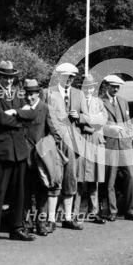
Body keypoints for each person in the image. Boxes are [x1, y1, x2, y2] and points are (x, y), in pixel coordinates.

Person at [0, 61, 37, 248]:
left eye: (11, 77)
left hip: (19, 151)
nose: (8, 80)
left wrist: (15, 112)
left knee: (19, 192)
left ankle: (17, 228)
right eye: (5, 77)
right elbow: (0, 119)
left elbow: (32, 115)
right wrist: (20, 117)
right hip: (1, 151)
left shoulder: (19, 93)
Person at [45, 62, 86, 230]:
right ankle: (51, 219)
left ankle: (68, 218)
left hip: (72, 142)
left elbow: (87, 116)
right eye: (67, 76)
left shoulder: (78, 94)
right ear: (59, 76)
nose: (70, 79)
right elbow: (44, 116)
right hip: (54, 141)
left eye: (73, 77)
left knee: (70, 179)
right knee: (54, 179)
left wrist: (80, 117)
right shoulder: (48, 93)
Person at [21, 78, 58, 236]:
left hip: (40, 160)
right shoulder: (20, 109)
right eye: (27, 94)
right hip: (23, 158)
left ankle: (41, 224)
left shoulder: (45, 109)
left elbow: (55, 134)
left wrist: (45, 148)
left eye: (33, 94)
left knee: (41, 193)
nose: (30, 98)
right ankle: (27, 225)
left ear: (38, 94)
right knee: (25, 193)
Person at [101, 74, 133, 221]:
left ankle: (130, 211)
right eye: (113, 86)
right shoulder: (100, 102)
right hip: (110, 145)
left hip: (125, 145)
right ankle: (112, 211)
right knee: (110, 180)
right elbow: (98, 124)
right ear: (107, 86)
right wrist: (111, 128)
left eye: (118, 87)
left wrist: (129, 135)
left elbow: (128, 123)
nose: (115, 89)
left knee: (131, 177)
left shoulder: (123, 102)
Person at [73, 74, 108, 224]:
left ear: (94, 88)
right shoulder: (76, 101)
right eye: (86, 87)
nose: (88, 90)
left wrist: (83, 118)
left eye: (91, 87)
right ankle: (74, 213)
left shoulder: (99, 102)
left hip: (95, 142)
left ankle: (94, 212)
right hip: (81, 141)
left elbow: (102, 120)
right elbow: (73, 119)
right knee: (79, 179)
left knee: (94, 179)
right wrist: (90, 120)